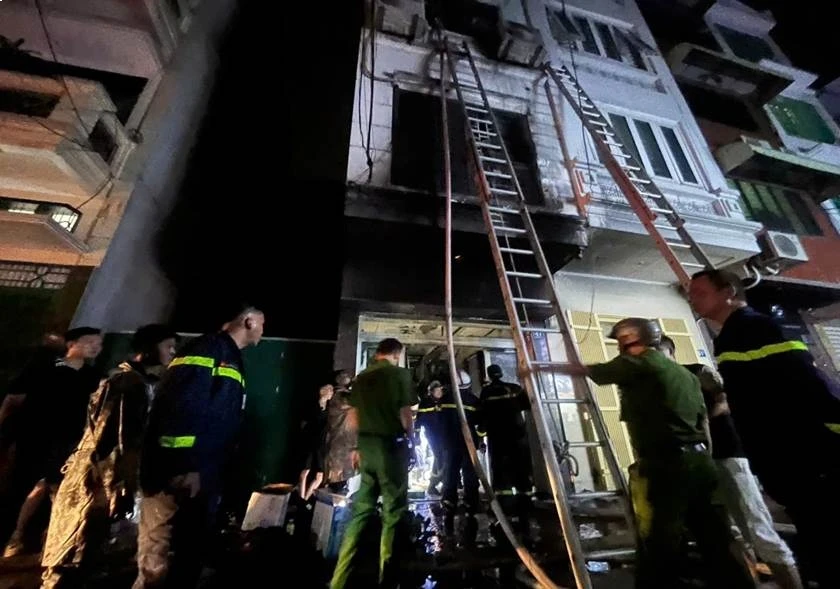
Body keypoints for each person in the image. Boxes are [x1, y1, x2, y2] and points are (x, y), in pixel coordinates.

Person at [539, 317, 755, 589]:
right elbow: (703, 424)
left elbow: (593, 371)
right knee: (716, 540)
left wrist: (540, 367)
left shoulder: (640, 363)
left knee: (657, 545)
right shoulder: (687, 376)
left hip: (665, 467)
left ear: (630, 340)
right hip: (700, 464)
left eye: (620, 341)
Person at [689, 269, 840, 588]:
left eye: (700, 292)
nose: (692, 299)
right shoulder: (732, 335)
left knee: (828, 545)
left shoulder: (754, 328)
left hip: (809, 459)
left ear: (728, 292)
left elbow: (807, 381)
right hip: (790, 463)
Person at [133, 305, 264, 589]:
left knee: (186, 556)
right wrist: (185, 465)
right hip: (178, 474)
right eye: (262, 325)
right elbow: (182, 405)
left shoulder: (228, 355)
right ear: (249, 321)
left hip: (204, 474)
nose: (263, 332)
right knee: (158, 560)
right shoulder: (208, 349)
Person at [657, 335, 803, 589]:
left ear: (671, 352)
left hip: (727, 455)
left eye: (658, 352)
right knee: (728, 533)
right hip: (697, 465)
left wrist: (705, 422)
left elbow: (725, 400)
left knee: (757, 527)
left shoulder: (697, 372)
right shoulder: (658, 387)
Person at [40, 324, 178, 589]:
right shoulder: (126, 383)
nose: (172, 352)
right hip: (100, 479)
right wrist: (121, 485)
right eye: (168, 346)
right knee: (74, 552)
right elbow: (114, 440)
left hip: (112, 477)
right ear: (149, 348)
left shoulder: (144, 383)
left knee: (94, 555)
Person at [3, 327, 103, 557]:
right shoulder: (46, 368)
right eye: (89, 341)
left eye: (98, 343)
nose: (95, 347)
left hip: (71, 440)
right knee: (27, 486)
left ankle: (47, 539)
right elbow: (13, 400)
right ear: (71, 344)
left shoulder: (93, 376)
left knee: (56, 486)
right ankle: (16, 536)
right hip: (36, 437)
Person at [329, 338, 416, 589]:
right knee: (393, 513)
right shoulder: (399, 374)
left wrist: (357, 447)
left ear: (377, 353)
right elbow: (405, 414)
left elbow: (353, 417)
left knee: (360, 513)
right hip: (389, 448)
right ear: (396, 354)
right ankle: (387, 579)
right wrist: (411, 442)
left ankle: (338, 579)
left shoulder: (361, 378)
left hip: (365, 449)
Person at [480, 364, 533, 531]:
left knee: (501, 473)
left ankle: (506, 509)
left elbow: (483, 416)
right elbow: (527, 405)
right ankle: (525, 507)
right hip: (518, 436)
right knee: (521, 470)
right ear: (501, 373)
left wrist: (480, 436)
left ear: (489, 376)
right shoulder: (515, 388)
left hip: (498, 439)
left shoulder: (486, 392)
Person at [323, 369, 358, 493]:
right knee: (335, 471)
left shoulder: (337, 396)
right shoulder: (341, 397)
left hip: (339, 440)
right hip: (339, 441)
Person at [298, 383, 333, 500]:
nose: (331, 394)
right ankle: (301, 498)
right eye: (330, 392)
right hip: (312, 441)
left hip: (320, 444)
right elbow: (305, 423)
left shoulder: (328, 407)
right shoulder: (314, 406)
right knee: (305, 471)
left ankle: (305, 498)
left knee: (319, 476)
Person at [415, 380, 446, 496]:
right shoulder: (425, 403)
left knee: (441, 458)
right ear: (431, 392)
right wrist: (417, 436)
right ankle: (442, 483)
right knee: (440, 457)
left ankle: (434, 485)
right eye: (437, 390)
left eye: (440, 390)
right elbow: (418, 421)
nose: (439, 392)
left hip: (443, 434)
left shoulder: (443, 402)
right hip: (432, 435)